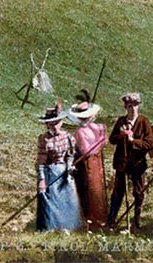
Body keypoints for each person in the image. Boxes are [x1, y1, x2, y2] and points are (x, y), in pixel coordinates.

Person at [106, 92, 153, 233]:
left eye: (135, 106)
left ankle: (136, 222)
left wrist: (133, 141)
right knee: (117, 193)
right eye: (129, 106)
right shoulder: (121, 121)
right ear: (125, 108)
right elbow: (112, 139)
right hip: (122, 163)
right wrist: (122, 135)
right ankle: (111, 221)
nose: (132, 109)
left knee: (138, 193)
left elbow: (149, 143)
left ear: (138, 106)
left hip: (138, 164)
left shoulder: (144, 122)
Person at [35, 101, 83, 232]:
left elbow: (70, 155)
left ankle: (67, 227)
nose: (54, 126)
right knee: (50, 200)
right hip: (50, 172)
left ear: (61, 122)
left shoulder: (68, 137)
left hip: (65, 173)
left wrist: (69, 167)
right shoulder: (44, 139)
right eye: (50, 124)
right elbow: (41, 161)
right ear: (46, 124)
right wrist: (42, 180)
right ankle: (50, 227)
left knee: (68, 199)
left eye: (56, 123)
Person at [68, 89, 108, 231]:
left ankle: (101, 218)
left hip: (97, 163)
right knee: (89, 190)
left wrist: (101, 136)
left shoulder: (98, 128)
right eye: (82, 118)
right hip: (86, 164)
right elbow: (85, 150)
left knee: (98, 190)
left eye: (87, 117)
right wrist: (98, 142)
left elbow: (104, 141)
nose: (85, 120)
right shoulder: (79, 132)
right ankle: (90, 220)